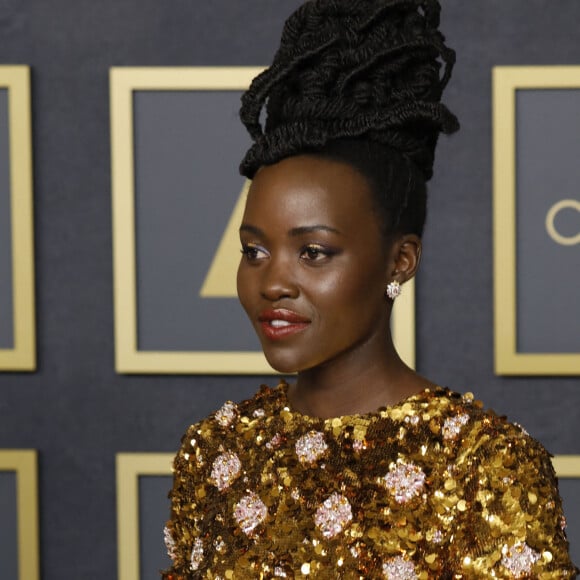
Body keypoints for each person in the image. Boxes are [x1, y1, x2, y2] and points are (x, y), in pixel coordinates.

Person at [162, 0, 577, 577]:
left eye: (314, 252)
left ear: (400, 261)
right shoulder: (214, 453)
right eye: (254, 250)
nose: (274, 281)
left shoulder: (484, 465)